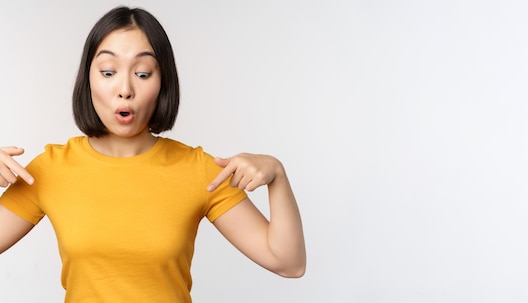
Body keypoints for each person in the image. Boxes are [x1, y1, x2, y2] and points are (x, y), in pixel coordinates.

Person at [0, 6, 305, 303]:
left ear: (162, 82)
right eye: (108, 71)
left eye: (143, 74)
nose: (125, 89)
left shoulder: (198, 170)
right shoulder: (50, 169)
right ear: (88, 79)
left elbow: (289, 263)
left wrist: (277, 175)